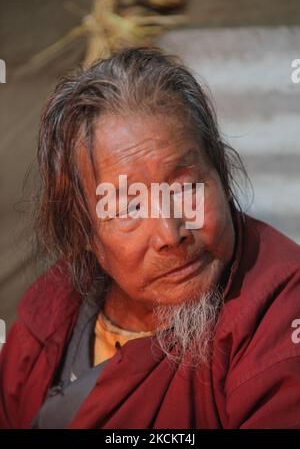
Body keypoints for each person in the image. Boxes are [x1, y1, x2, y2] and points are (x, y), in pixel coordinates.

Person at [1, 47, 300, 429]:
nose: (171, 234)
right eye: (128, 207)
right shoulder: (52, 309)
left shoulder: (280, 314)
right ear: (84, 233)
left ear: (221, 176)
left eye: (186, 187)